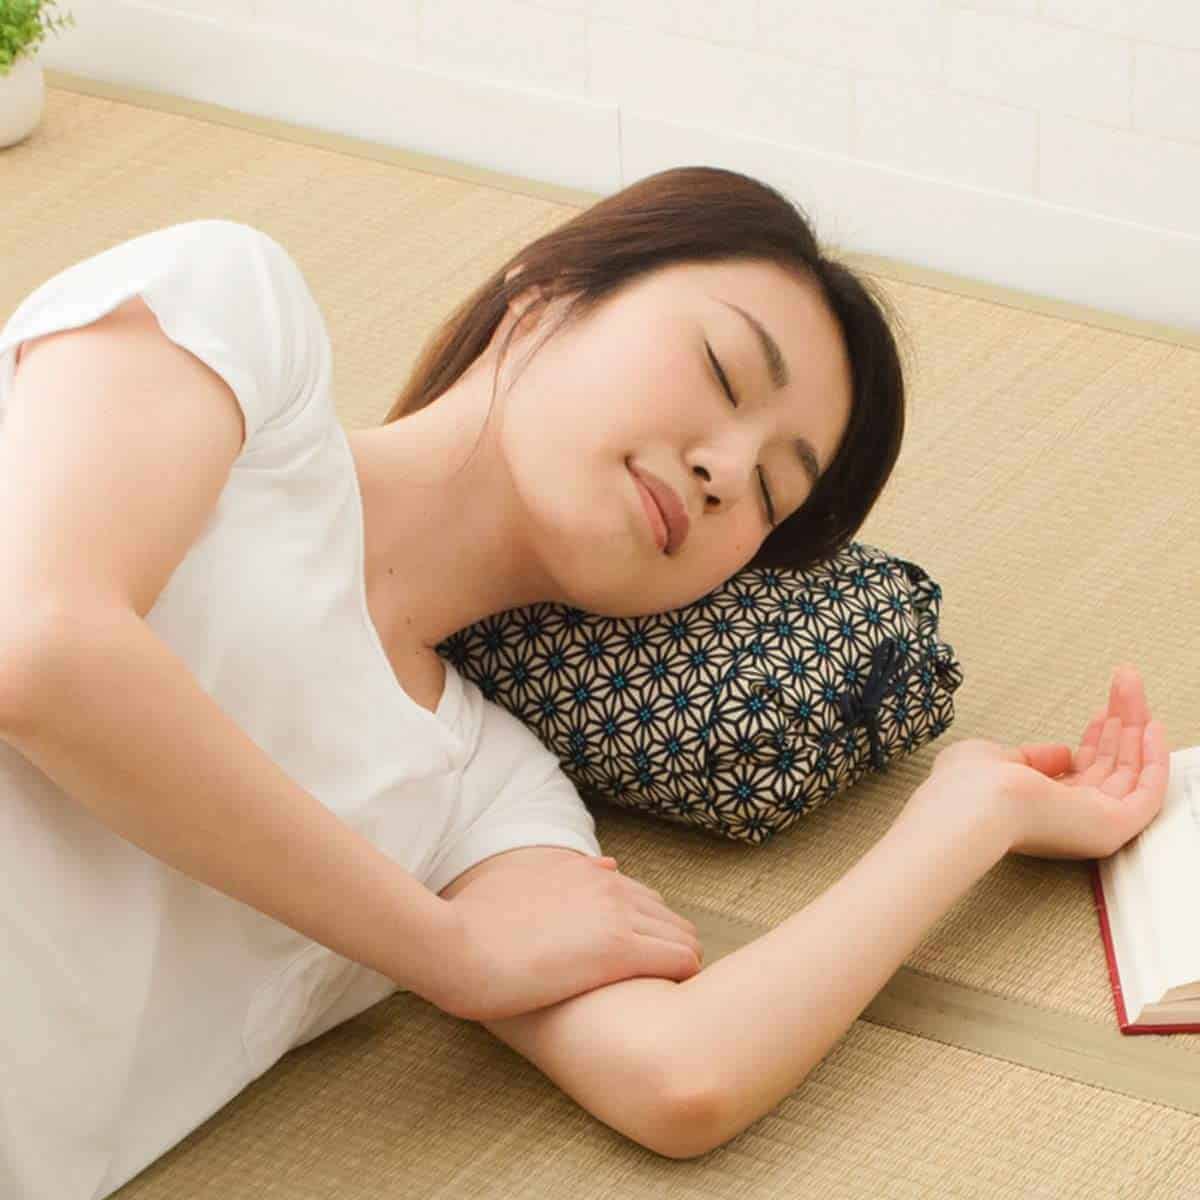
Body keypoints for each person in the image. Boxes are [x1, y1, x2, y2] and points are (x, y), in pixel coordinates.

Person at [0, 166, 1167, 1191]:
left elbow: (683, 1075)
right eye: (720, 370)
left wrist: (970, 812)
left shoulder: (482, 789)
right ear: (547, 289)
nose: (726, 469)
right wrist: (449, 954)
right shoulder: (234, 324)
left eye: (772, 494)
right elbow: (42, 645)